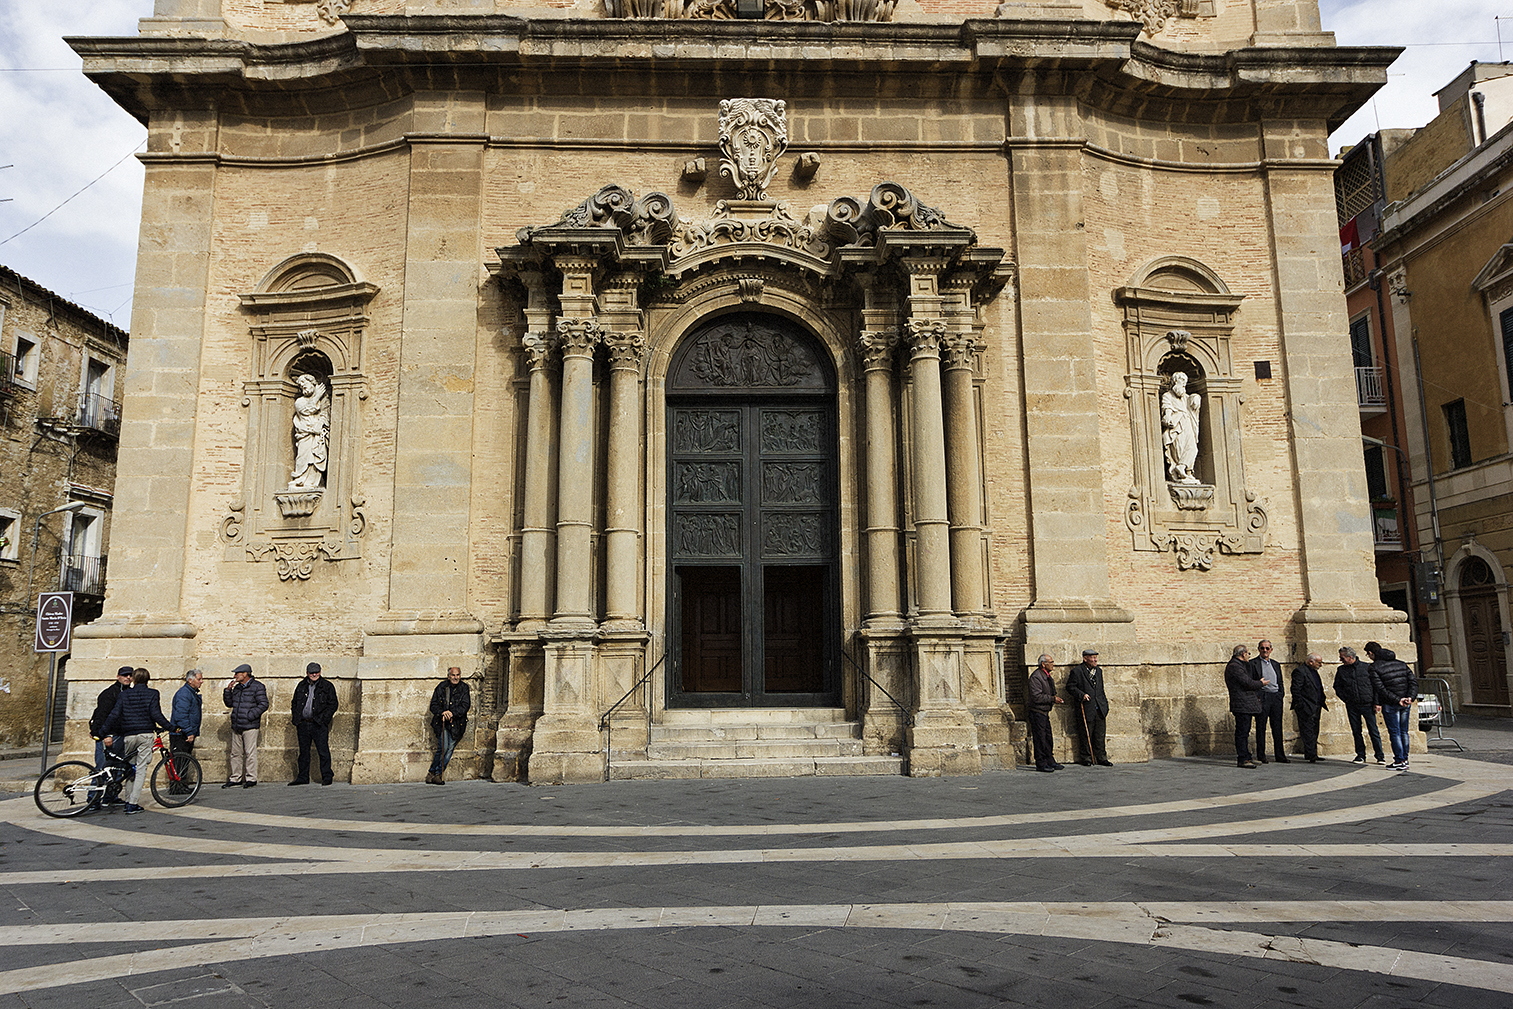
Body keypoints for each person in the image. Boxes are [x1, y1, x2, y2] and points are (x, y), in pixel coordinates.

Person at [99, 668, 173, 814]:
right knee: (140, 770)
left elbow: (115, 714)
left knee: (130, 768)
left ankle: (128, 799)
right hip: (145, 735)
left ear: (134, 679)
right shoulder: (153, 693)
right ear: (148, 679)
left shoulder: (124, 694)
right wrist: (171, 727)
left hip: (129, 735)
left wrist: (102, 732)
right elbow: (156, 714)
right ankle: (132, 804)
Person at [1366, 641, 1417, 771]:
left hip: (1391, 703)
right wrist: (1410, 698)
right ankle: (1405, 759)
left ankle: (1399, 760)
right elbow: (1413, 682)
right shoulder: (1402, 664)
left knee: (1395, 732)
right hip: (1405, 702)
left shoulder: (1374, 667)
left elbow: (1380, 688)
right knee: (1404, 731)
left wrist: (1397, 700)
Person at [1333, 645, 1384, 764]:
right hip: (1352, 704)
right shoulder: (1341, 670)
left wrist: (1377, 702)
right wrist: (1346, 698)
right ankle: (1360, 755)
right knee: (1356, 731)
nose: (1341, 660)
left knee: (1373, 730)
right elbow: (1337, 686)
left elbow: (1376, 686)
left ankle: (1380, 755)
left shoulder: (1367, 667)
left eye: (1342, 658)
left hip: (1367, 704)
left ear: (1350, 657)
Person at [289, 661, 337, 786]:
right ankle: (303, 777)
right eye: (311, 673)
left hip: (318, 724)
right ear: (307, 673)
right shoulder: (301, 685)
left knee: (323, 751)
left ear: (320, 672)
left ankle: (326, 776)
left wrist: (323, 719)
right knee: (303, 752)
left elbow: (333, 704)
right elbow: (295, 703)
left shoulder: (326, 686)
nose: (314, 675)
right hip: (303, 723)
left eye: (316, 672)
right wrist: (296, 718)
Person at [223, 663, 269, 788]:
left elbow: (264, 704)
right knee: (235, 753)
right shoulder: (237, 688)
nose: (235, 676)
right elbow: (229, 703)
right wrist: (228, 691)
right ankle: (235, 778)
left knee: (250, 752)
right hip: (237, 724)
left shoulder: (257, 687)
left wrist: (250, 715)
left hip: (250, 725)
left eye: (237, 673)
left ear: (245, 674)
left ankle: (251, 778)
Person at [1064, 648, 1112, 766]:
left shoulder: (1099, 671)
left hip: (1099, 708)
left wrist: (1104, 704)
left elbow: (1100, 689)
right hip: (1086, 707)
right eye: (1092, 658)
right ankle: (1087, 758)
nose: (1095, 660)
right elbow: (1070, 687)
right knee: (1086, 734)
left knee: (1100, 734)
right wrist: (1082, 695)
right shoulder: (1077, 671)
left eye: (1096, 657)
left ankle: (1101, 757)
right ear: (1085, 659)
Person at [425, 666, 471, 784]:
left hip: (457, 724)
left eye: (458, 675)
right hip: (442, 723)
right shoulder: (441, 687)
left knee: (449, 749)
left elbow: (465, 706)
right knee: (443, 747)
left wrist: (452, 713)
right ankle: (434, 772)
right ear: (448, 676)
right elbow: (433, 705)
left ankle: (436, 774)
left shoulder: (464, 688)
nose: (455, 677)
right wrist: (443, 712)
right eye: (453, 675)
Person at [1247, 640, 1288, 763]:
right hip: (1262, 697)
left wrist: (1281, 694)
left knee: (1277, 727)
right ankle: (1261, 755)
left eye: (1267, 648)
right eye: (1262, 648)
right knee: (1261, 727)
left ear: (1271, 650)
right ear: (1258, 649)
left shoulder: (1275, 664)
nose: (1265, 650)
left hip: (1276, 697)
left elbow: (1280, 681)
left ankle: (1280, 755)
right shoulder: (1253, 663)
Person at [1225, 643, 1263, 768]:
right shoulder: (1235, 667)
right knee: (1242, 732)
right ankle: (1243, 758)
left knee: (1245, 732)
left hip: (1244, 704)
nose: (1248, 656)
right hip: (1241, 704)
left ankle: (1247, 756)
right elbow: (1247, 682)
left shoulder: (1240, 665)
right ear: (1243, 654)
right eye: (1248, 654)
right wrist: (1260, 683)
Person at [288, 374, 329, 490]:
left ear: (312, 383)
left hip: (317, 436)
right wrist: (317, 397)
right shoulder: (300, 401)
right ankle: (301, 478)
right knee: (302, 457)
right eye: (300, 386)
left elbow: (326, 413)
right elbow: (306, 410)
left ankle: (313, 481)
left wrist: (320, 424)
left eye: (304, 384)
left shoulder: (324, 399)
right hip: (304, 435)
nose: (303, 387)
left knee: (316, 457)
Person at [1027, 654, 1066, 773]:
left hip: (1044, 712)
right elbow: (1036, 696)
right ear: (1043, 664)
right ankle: (1041, 763)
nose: (1053, 664)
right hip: (1037, 712)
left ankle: (1050, 760)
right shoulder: (1036, 677)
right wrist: (1052, 699)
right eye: (1051, 662)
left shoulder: (1046, 676)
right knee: (1040, 738)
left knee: (1048, 737)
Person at [89, 666, 134, 771]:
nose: (127, 677)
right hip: (110, 737)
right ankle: (95, 787)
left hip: (122, 736)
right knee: (103, 769)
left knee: (117, 770)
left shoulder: (130, 692)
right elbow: (101, 715)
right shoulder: (110, 693)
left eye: (130, 675)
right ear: (118, 677)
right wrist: (105, 735)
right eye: (124, 675)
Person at [1161, 371, 1202, 484]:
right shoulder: (1168, 396)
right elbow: (1166, 407)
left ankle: (1184, 469)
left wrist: (1197, 398)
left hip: (1188, 424)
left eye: (1185, 382)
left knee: (1193, 448)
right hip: (1176, 427)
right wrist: (1168, 415)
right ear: (1175, 381)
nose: (1184, 384)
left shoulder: (1186, 397)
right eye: (1182, 381)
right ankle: (1181, 471)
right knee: (1179, 448)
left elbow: (1193, 402)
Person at [1290, 652, 1328, 763]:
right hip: (1306, 706)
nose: (1320, 665)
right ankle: (1310, 753)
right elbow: (1296, 689)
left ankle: (1313, 753)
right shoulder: (1300, 671)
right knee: (1307, 730)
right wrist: (1301, 705)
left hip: (1316, 705)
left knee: (1315, 729)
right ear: (1311, 661)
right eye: (1319, 662)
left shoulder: (1314, 671)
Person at [170, 669, 203, 755]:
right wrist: (189, 732)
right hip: (181, 735)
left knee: (184, 764)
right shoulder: (184, 694)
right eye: (199, 679)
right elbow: (181, 715)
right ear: (190, 680)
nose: (201, 682)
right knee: (180, 764)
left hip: (186, 733)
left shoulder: (191, 693)